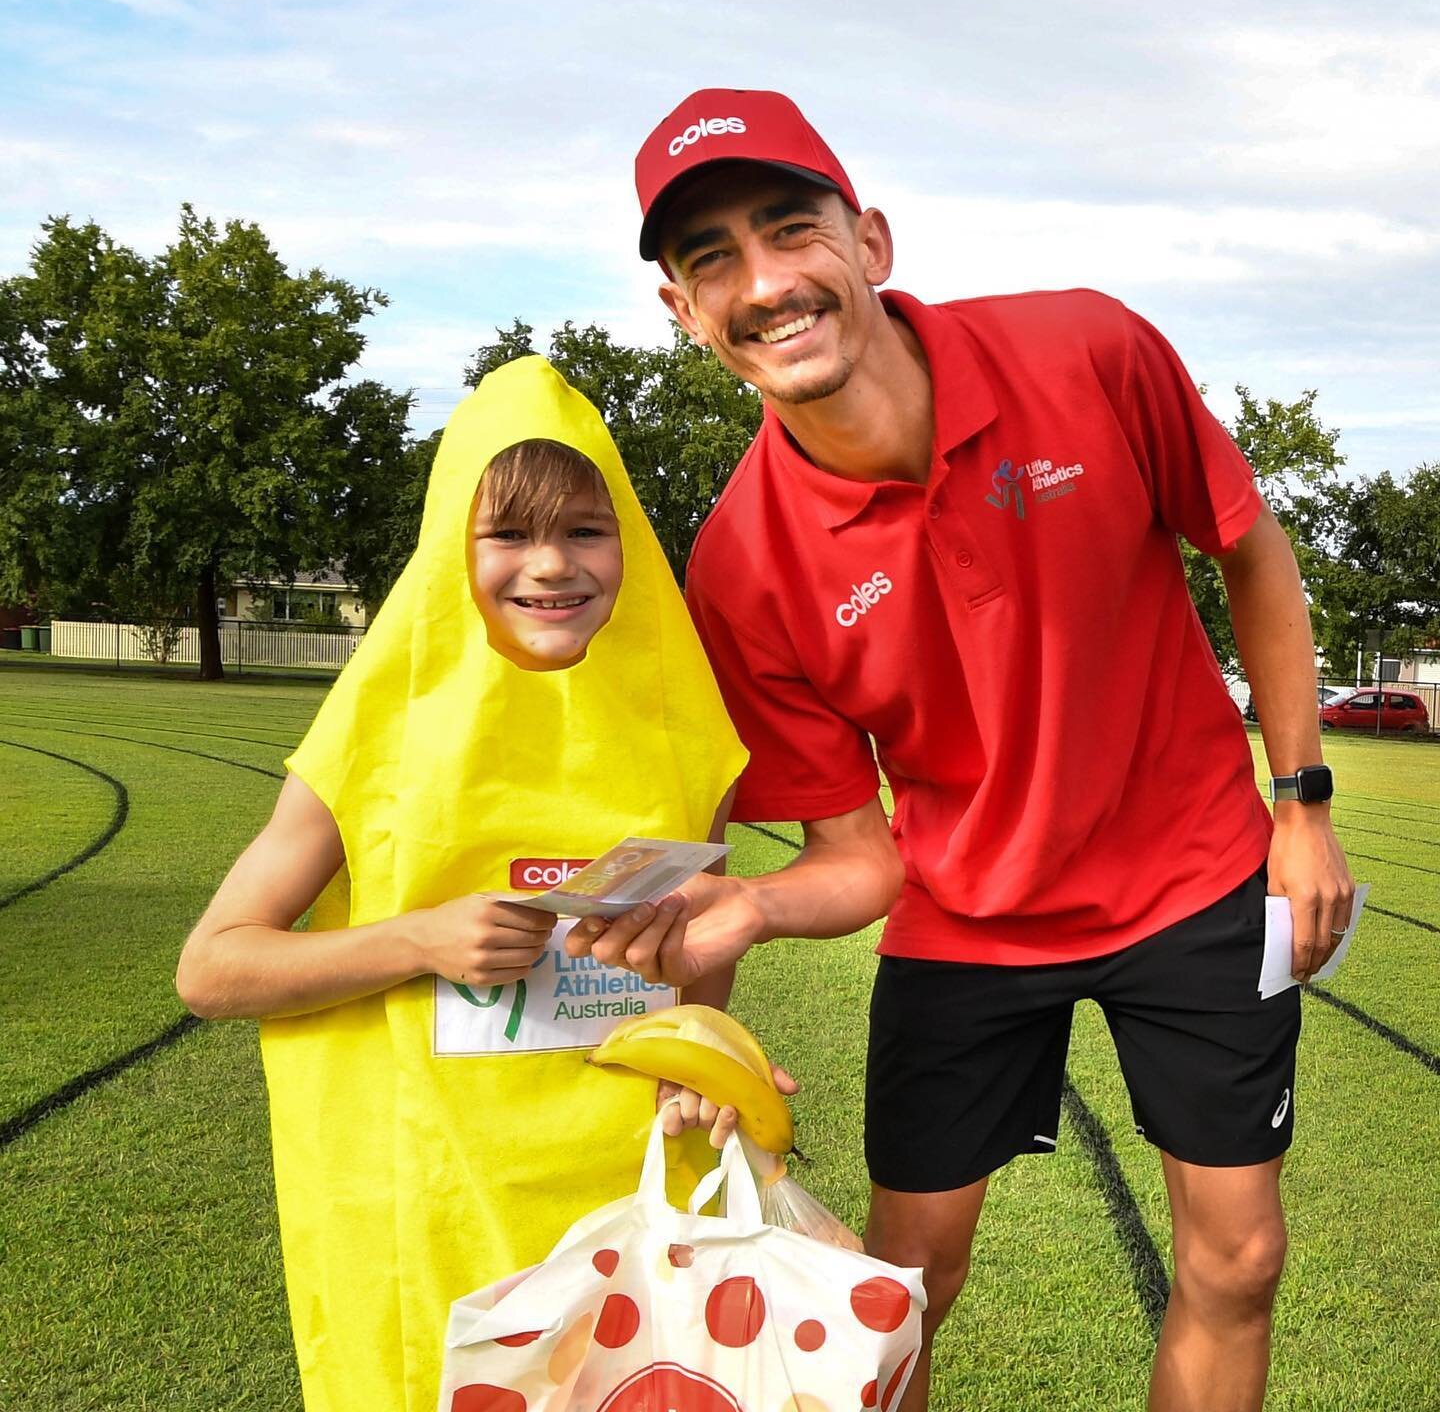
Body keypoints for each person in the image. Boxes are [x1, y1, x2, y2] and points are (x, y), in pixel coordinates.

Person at [570, 89, 1356, 1412]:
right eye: (712, 260)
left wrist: (1303, 801)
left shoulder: (1088, 349)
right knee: (898, 1291)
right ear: (683, 314)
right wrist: (752, 906)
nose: (765, 281)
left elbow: (1249, 545)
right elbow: (856, 859)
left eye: (789, 228)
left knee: (1241, 1260)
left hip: (1199, 877)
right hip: (966, 923)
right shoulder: (744, 564)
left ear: (869, 241)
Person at [174, 356, 749, 1412]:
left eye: (585, 528)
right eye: (510, 534)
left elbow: (695, 956)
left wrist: (698, 1052)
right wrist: (417, 939)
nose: (552, 566)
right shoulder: (372, 737)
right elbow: (212, 969)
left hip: (616, 1188)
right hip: (420, 1194)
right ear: (454, 546)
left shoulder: (681, 731)